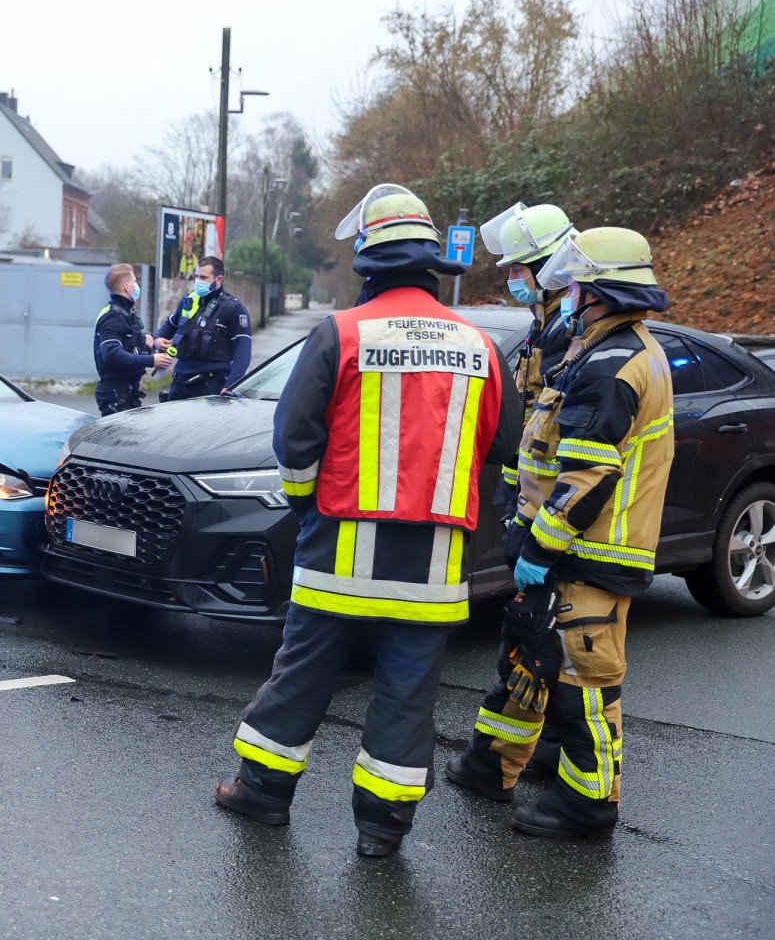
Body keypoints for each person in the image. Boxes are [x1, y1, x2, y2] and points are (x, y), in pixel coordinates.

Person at [213, 184, 522, 857]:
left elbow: (293, 438)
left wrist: (306, 503)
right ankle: (381, 831)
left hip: (338, 558)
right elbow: (502, 446)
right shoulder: (479, 346)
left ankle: (262, 797)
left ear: (368, 263)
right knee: (407, 694)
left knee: (301, 676)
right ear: (431, 264)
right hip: (433, 568)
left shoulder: (342, 333)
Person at [444, 227, 674, 839]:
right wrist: (523, 526)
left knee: (582, 682)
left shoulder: (611, 365)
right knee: (527, 658)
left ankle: (587, 806)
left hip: (592, 551)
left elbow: (588, 474)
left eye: (573, 283)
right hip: (567, 544)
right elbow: (549, 456)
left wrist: (540, 545)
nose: (564, 293)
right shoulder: (592, 349)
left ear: (600, 291)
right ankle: (491, 766)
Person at [479, 203, 575, 520]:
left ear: (547, 268)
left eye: (518, 271)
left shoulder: (565, 332)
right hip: (526, 490)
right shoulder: (543, 323)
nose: (510, 279)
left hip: (545, 498)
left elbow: (558, 429)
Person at [154, 257, 251, 401]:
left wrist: (230, 386)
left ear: (219, 279)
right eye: (197, 276)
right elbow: (170, 325)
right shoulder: (190, 300)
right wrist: (157, 339)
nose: (198, 281)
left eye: (204, 277)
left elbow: (243, 353)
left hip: (210, 385)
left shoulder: (234, 309)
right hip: (179, 383)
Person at [93, 264, 173, 416]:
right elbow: (112, 354)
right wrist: (152, 360)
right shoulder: (112, 318)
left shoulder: (126, 313)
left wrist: (151, 341)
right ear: (127, 287)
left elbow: (131, 339)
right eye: (135, 282)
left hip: (128, 392)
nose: (137, 286)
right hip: (115, 394)